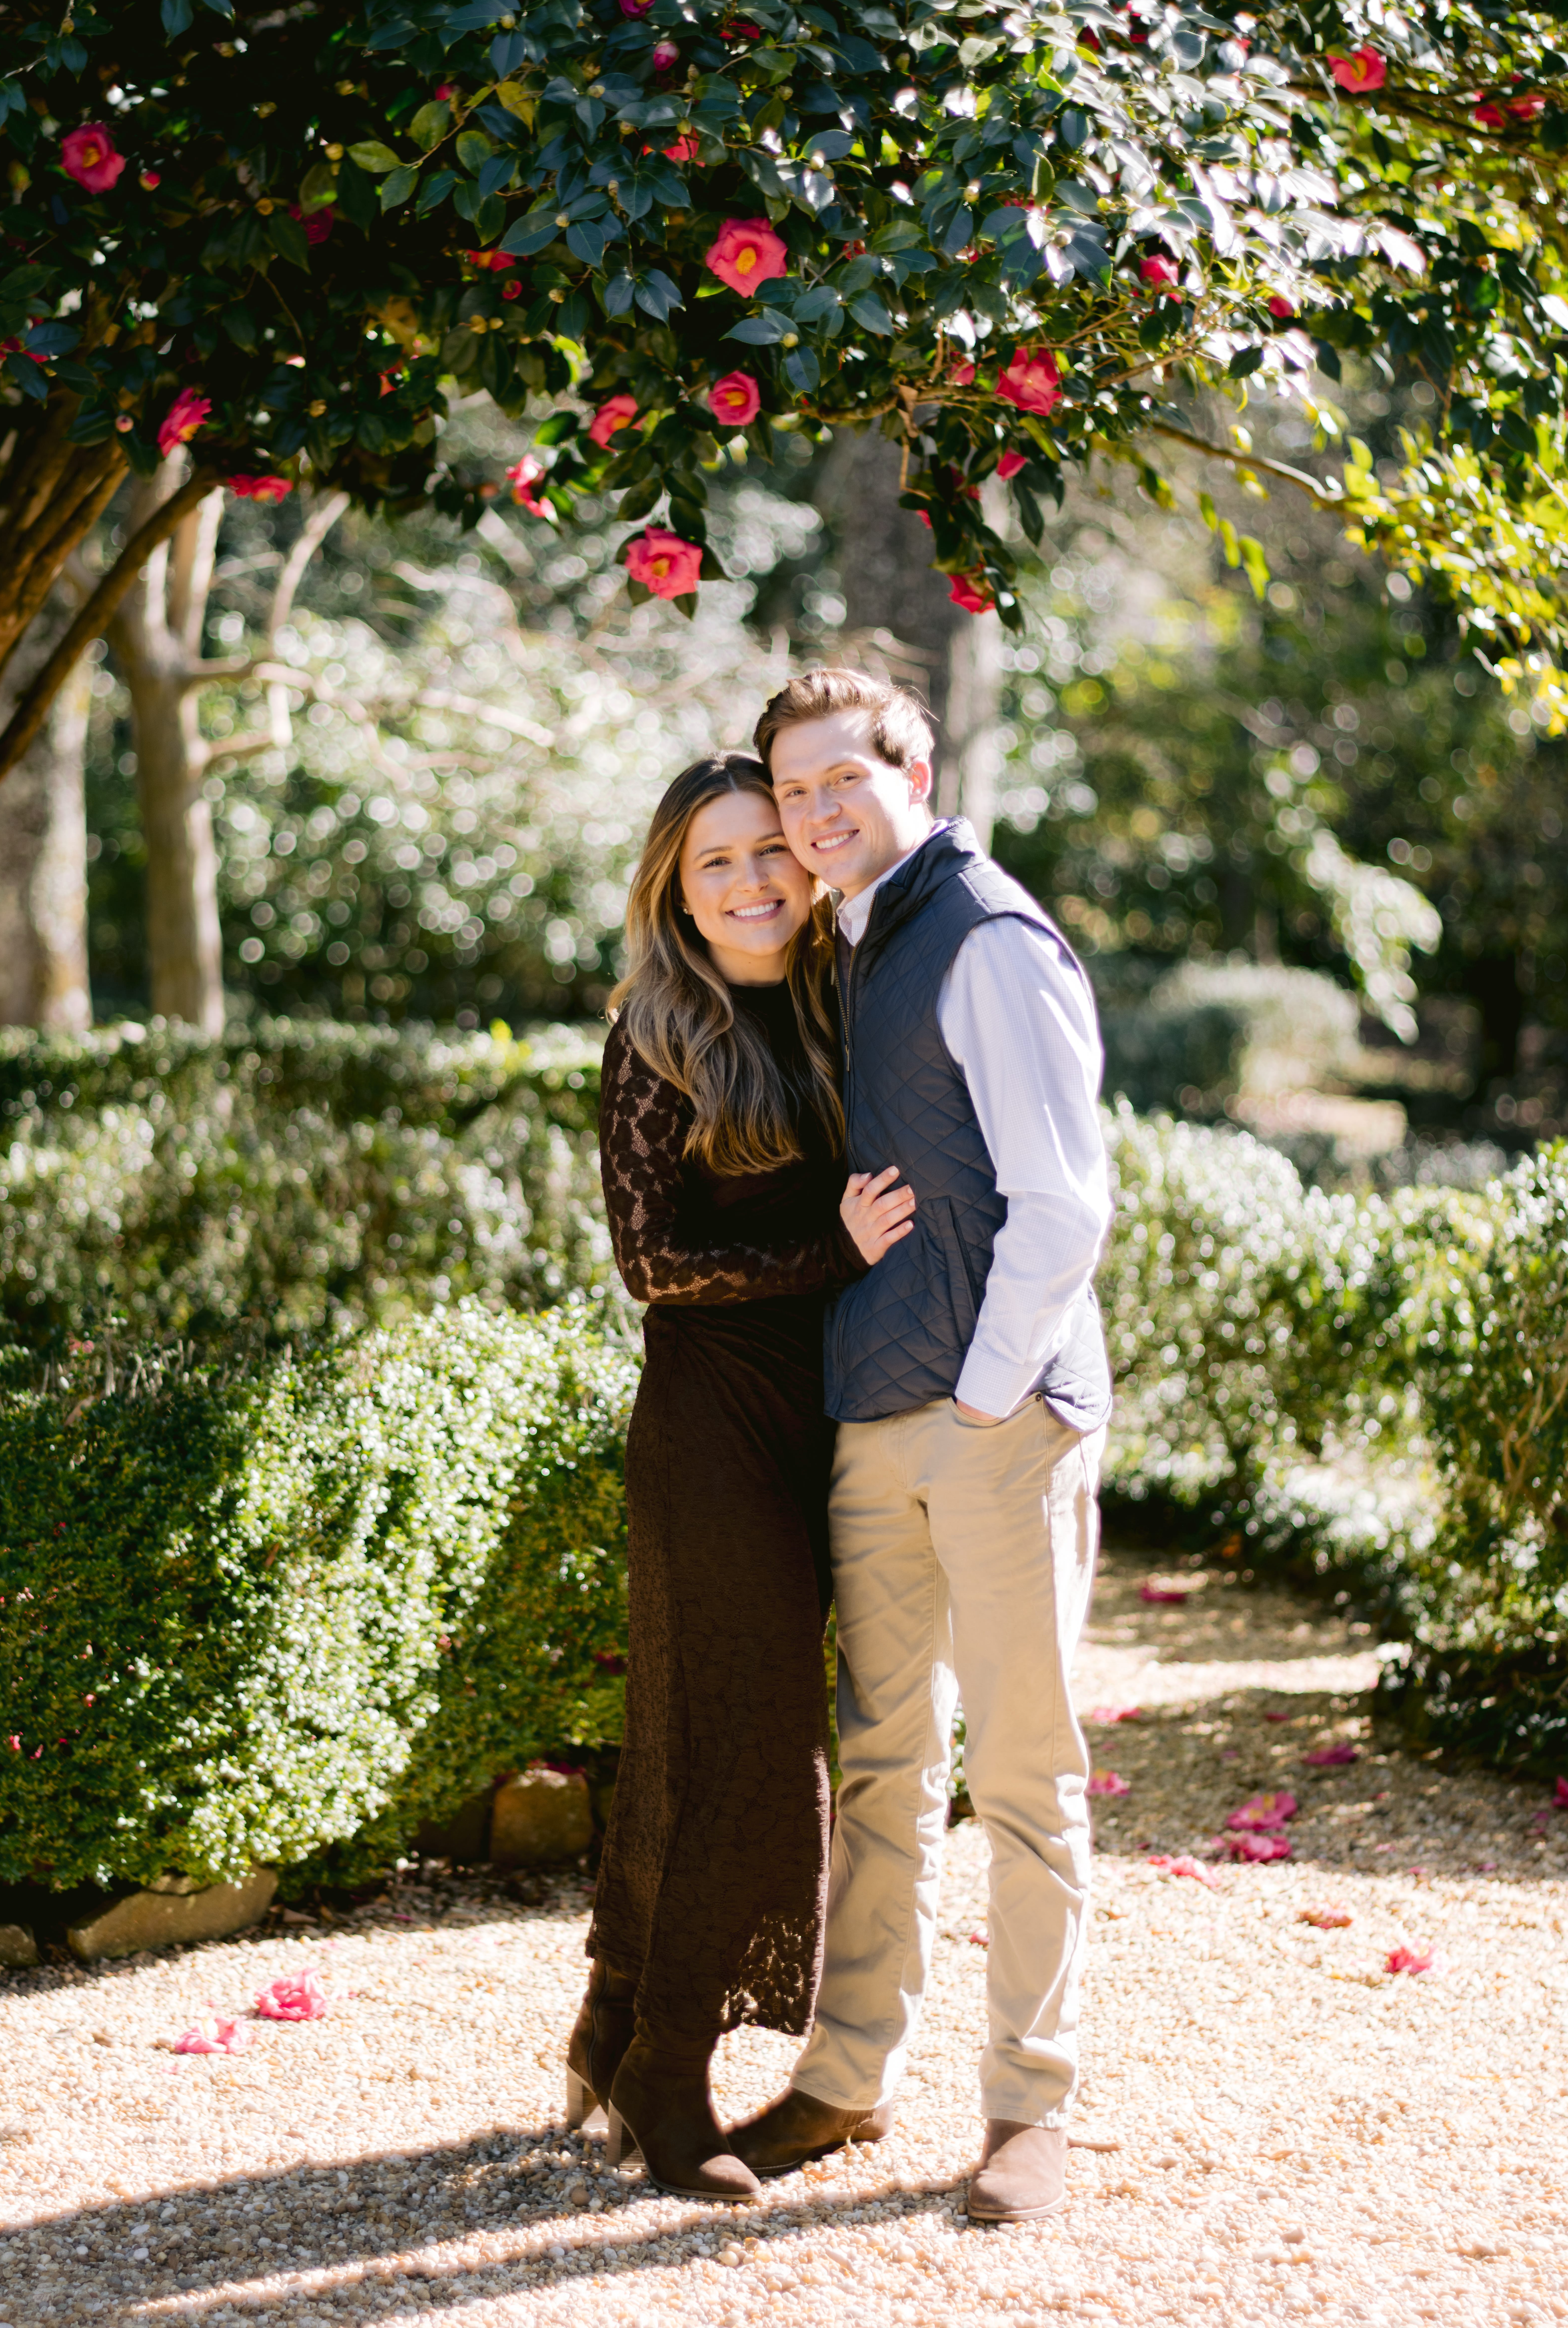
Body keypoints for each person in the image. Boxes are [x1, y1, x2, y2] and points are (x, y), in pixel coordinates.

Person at [729, 670, 1113, 2225]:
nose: (815, 813)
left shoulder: (992, 939)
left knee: (1023, 1776)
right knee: (883, 1766)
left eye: (841, 781)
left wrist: (983, 1399)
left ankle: (1033, 2111)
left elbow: (1066, 1201)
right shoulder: (857, 934)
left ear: (914, 767)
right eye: (794, 790)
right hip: (877, 1414)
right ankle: (844, 2078)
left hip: (992, 1420)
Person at [569, 749, 914, 2202]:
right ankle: (668, 2073)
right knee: (755, 1747)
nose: (753, 879)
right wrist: (824, 1256)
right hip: (711, 1429)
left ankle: (609, 2015)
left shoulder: (843, 1004)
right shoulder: (658, 1030)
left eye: (769, 850)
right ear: (675, 885)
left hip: (823, 1420)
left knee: (699, 1738)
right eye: (715, 862)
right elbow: (651, 1263)